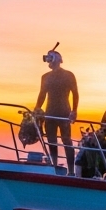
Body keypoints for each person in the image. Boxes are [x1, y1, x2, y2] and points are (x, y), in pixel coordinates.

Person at [34, 47, 78, 175]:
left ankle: (71, 171)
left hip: (64, 112)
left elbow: (75, 93)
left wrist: (74, 111)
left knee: (67, 141)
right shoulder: (45, 77)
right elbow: (42, 94)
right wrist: (37, 108)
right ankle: (54, 167)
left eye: (50, 58)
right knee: (51, 140)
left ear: (57, 60)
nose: (49, 62)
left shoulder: (69, 75)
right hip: (50, 113)